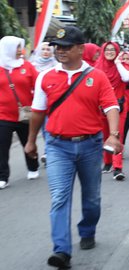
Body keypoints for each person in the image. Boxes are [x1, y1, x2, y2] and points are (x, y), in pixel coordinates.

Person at [24, 26, 122, 269]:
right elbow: (37, 112)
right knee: (59, 198)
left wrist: (114, 134)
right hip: (58, 147)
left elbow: (111, 106)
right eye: (58, 47)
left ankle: (87, 230)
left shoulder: (96, 76)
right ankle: (62, 250)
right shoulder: (45, 77)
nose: (60, 51)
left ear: (81, 49)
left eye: (67, 47)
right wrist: (30, 140)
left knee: (91, 199)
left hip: (90, 146)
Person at [0, 36, 40, 189]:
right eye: (16, 47)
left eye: (20, 47)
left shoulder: (27, 66)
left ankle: (32, 167)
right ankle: (3, 176)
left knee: (28, 141)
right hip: (3, 115)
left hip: (25, 114)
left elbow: (39, 85)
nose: (19, 50)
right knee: (2, 146)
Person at [94, 42, 129, 180]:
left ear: (117, 52)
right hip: (101, 108)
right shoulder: (97, 67)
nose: (110, 52)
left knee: (116, 135)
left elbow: (127, 78)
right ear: (103, 51)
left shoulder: (121, 65)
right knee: (104, 135)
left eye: (112, 50)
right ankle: (108, 162)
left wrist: (117, 63)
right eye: (107, 50)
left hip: (119, 106)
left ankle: (118, 167)